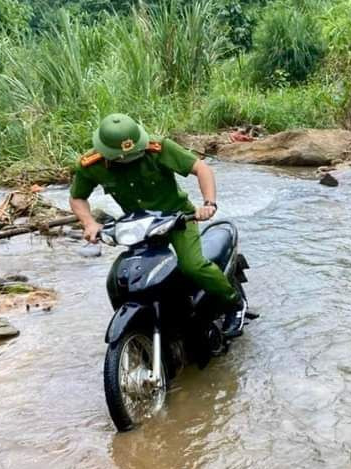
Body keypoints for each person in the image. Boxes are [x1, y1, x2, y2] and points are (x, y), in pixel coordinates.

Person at [69, 113, 242, 332]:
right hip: (139, 226)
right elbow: (77, 197)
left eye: (135, 152)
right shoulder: (90, 164)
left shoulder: (158, 148)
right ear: (106, 152)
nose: (132, 157)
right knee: (130, 277)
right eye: (124, 156)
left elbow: (201, 169)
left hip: (178, 217)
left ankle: (233, 303)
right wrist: (89, 223)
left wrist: (209, 203)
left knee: (193, 266)